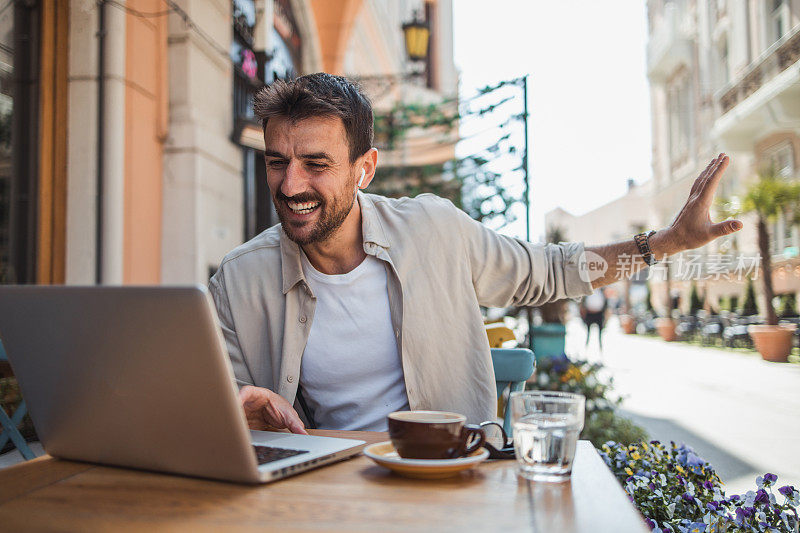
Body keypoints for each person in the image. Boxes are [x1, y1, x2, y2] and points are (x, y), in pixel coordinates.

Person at [208, 73, 742, 433]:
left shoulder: (435, 230)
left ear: (364, 169)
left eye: (316, 165)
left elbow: (552, 271)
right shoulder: (238, 281)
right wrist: (233, 410)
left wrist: (665, 244)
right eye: (277, 162)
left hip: (455, 480)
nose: (290, 183)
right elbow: (221, 405)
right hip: (323, 495)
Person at [581, 288, 607, 354]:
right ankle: (585, 349)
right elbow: (583, 303)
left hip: (599, 314)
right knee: (588, 333)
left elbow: (605, 303)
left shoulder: (602, 291)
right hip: (590, 313)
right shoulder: (588, 291)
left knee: (600, 334)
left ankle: (601, 349)